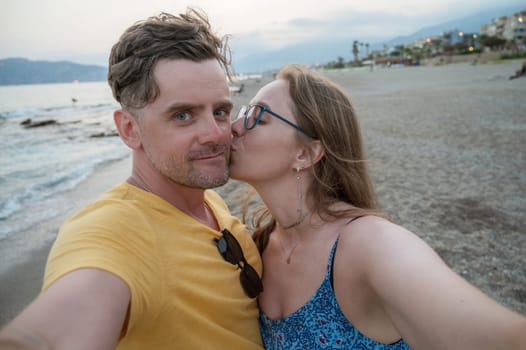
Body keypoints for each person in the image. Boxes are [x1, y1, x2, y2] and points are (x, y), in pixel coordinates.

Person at [0, 9, 263, 350]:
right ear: (129, 128)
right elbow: (49, 334)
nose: (215, 134)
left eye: (220, 112)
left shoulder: (203, 199)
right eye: (182, 115)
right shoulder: (114, 230)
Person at [230, 63, 526, 349]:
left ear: (306, 154)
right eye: (243, 112)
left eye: (257, 116)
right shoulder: (259, 246)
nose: (234, 127)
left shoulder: (368, 245)